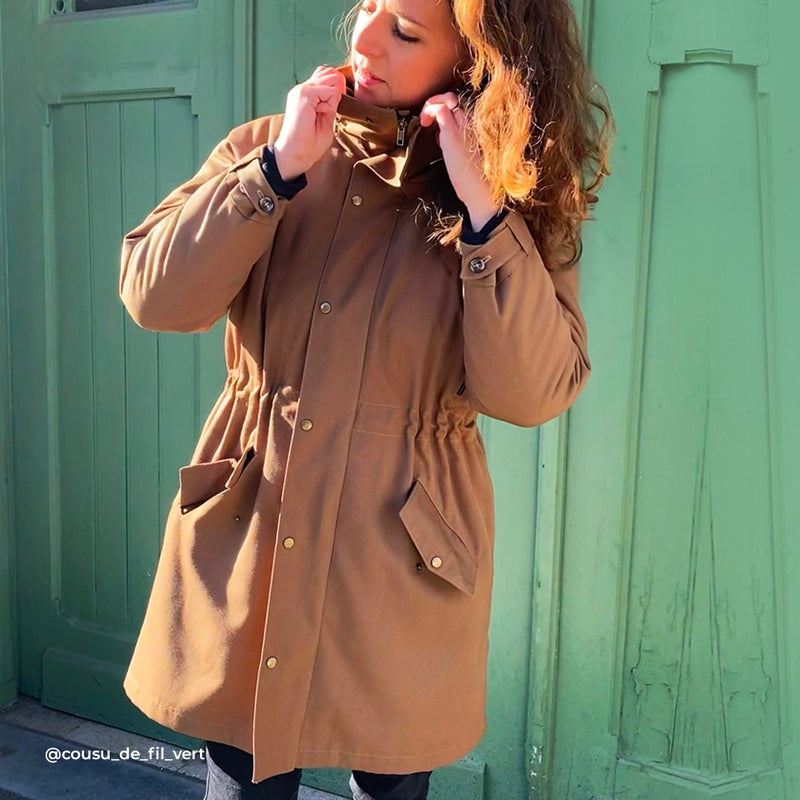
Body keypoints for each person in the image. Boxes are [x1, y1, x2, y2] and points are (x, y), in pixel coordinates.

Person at [118, 1, 614, 799]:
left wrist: (484, 216)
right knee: (242, 772)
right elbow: (154, 296)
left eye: (406, 33)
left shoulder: (513, 197)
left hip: (405, 555)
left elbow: (533, 391)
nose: (364, 40)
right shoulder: (269, 146)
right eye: (369, 8)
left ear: (475, 62)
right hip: (254, 528)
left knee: (391, 779)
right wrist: (276, 172)